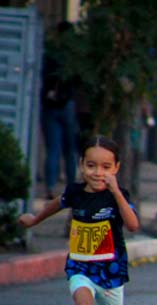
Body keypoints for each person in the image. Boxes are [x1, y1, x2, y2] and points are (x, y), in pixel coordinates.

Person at [18, 137, 139, 305]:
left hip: (109, 272)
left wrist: (117, 193)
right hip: (80, 267)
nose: (98, 172)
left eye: (106, 167)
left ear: (116, 168)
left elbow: (132, 225)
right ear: (81, 166)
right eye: (92, 165)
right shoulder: (74, 192)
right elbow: (55, 204)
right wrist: (34, 220)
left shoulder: (117, 197)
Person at [39, 22, 79, 200]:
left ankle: (51, 187)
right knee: (70, 150)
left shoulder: (50, 54)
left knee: (53, 149)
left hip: (50, 106)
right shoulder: (74, 55)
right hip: (68, 105)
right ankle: (71, 187)